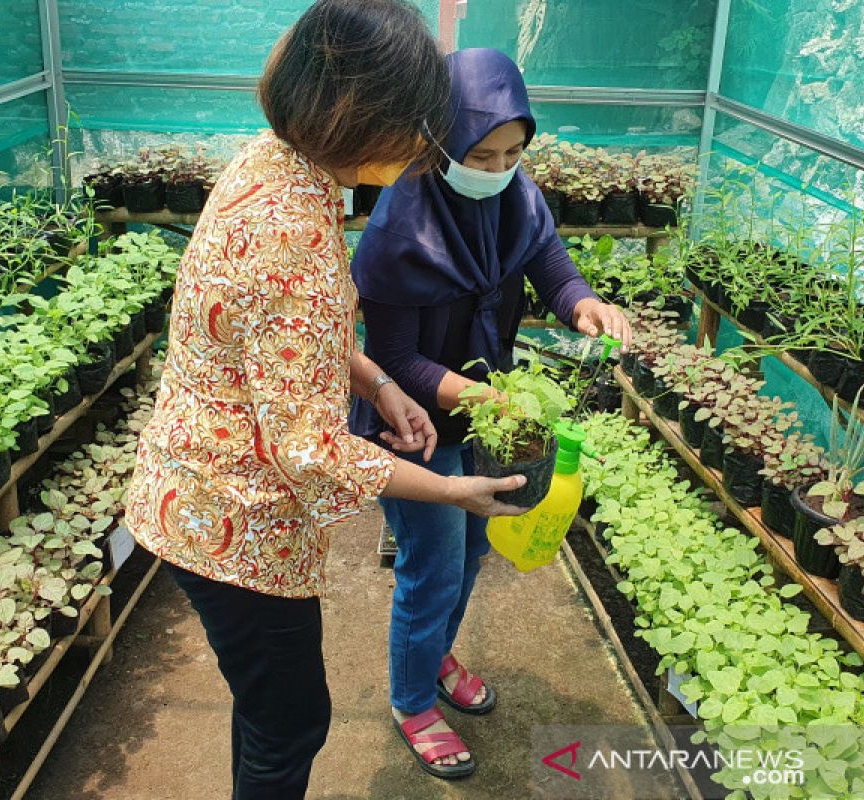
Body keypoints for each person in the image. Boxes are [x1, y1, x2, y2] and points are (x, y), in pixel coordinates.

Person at [124, 7, 532, 799]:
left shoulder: (271, 164)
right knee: (290, 722)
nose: (427, 145)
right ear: (367, 122)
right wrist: (452, 491)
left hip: (186, 483)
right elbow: (309, 450)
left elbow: (273, 331)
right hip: (231, 526)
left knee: (268, 707)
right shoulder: (299, 240)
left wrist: (378, 381)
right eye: (418, 125)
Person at [349, 47, 633, 779]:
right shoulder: (395, 232)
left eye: (513, 151)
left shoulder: (514, 198)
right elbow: (398, 363)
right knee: (432, 566)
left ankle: (436, 654)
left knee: (473, 553)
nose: (499, 166)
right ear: (437, 139)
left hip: (483, 417)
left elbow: (549, 263)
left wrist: (584, 305)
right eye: (481, 153)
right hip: (411, 424)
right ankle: (413, 702)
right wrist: (486, 396)